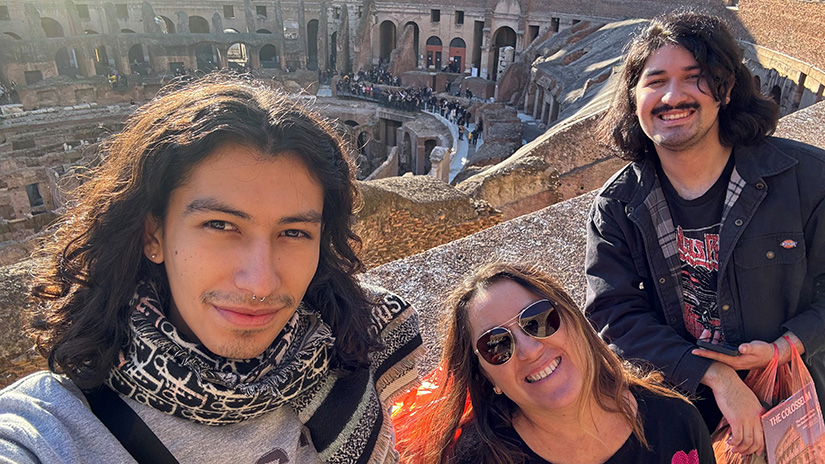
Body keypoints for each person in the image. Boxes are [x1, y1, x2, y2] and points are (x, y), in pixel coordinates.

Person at [0, 76, 423, 463]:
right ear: (154, 236)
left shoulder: (349, 339)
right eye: (220, 226)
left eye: (294, 232)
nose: (261, 282)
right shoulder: (53, 428)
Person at [586, 10, 825, 457]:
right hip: (690, 412)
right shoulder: (618, 205)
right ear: (634, 97)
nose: (672, 96)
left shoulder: (807, 179)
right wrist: (715, 376)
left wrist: (786, 347)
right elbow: (614, 313)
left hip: (800, 397)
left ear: (726, 90)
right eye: (655, 81)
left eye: (693, 78)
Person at [395, 263, 713, 464]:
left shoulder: (675, 420)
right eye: (496, 345)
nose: (530, 350)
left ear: (575, 320)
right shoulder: (477, 459)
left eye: (540, 319)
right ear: (486, 375)